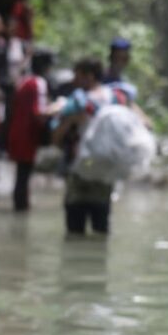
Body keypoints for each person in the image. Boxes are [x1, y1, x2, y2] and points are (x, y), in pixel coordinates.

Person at [52, 57, 131, 234]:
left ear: (89, 76)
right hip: (106, 170)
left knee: (75, 228)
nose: (74, 80)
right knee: (101, 226)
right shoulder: (116, 98)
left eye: (78, 76)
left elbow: (56, 138)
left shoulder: (78, 101)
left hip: (82, 167)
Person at [6, 49, 55, 211]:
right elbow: (39, 112)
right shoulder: (38, 83)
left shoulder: (23, 81)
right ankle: (22, 209)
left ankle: (19, 207)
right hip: (28, 136)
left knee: (21, 175)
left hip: (16, 132)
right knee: (24, 175)